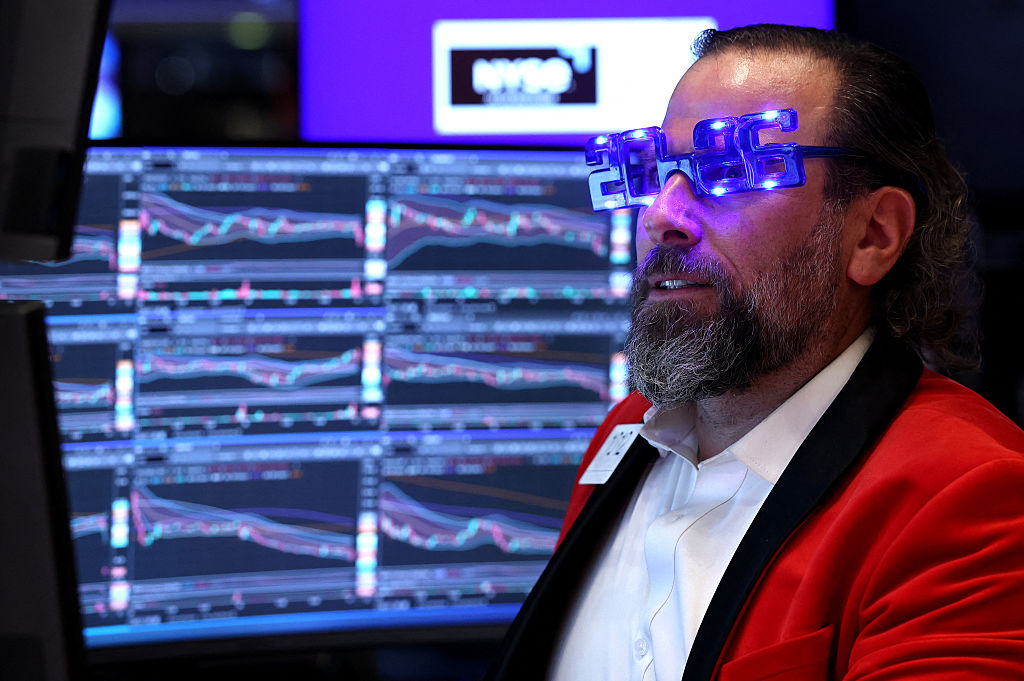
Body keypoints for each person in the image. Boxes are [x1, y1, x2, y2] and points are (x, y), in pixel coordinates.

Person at [484, 24, 1024, 681]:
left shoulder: (974, 494)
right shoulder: (627, 432)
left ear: (873, 235)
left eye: (731, 166)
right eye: (655, 170)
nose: (662, 213)